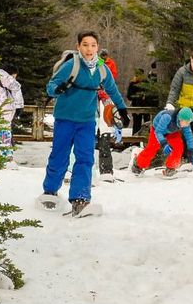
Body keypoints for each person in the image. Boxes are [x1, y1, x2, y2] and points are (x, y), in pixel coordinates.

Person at [42, 31, 130, 215]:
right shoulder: (71, 65)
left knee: (85, 158)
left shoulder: (101, 67)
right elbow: (51, 86)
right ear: (78, 47)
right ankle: (50, 191)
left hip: (87, 121)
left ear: (97, 47)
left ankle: (80, 199)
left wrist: (122, 110)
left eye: (93, 45)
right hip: (65, 118)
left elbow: (112, 90)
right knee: (60, 156)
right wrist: (57, 88)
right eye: (85, 45)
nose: (89, 49)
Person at [130, 104, 193, 178]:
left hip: (171, 132)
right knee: (152, 148)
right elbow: (158, 132)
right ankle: (138, 164)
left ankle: (171, 168)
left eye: (189, 122)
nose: (188, 124)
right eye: (187, 122)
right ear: (180, 118)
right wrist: (164, 144)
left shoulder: (185, 124)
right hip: (157, 130)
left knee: (178, 146)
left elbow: (189, 136)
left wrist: (191, 151)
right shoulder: (167, 117)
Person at [95, 50, 121, 179]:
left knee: (104, 138)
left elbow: (112, 76)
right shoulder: (97, 64)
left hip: (105, 103)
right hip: (91, 110)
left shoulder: (110, 64)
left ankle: (106, 171)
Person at [126, 68, 157, 135]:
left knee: (147, 124)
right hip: (136, 106)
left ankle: (147, 141)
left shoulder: (146, 83)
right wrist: (137, 96)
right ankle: (135, 142)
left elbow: (150, 95)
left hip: (146, 106)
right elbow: (129, 96)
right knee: (136, 125)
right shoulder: (133, 83)